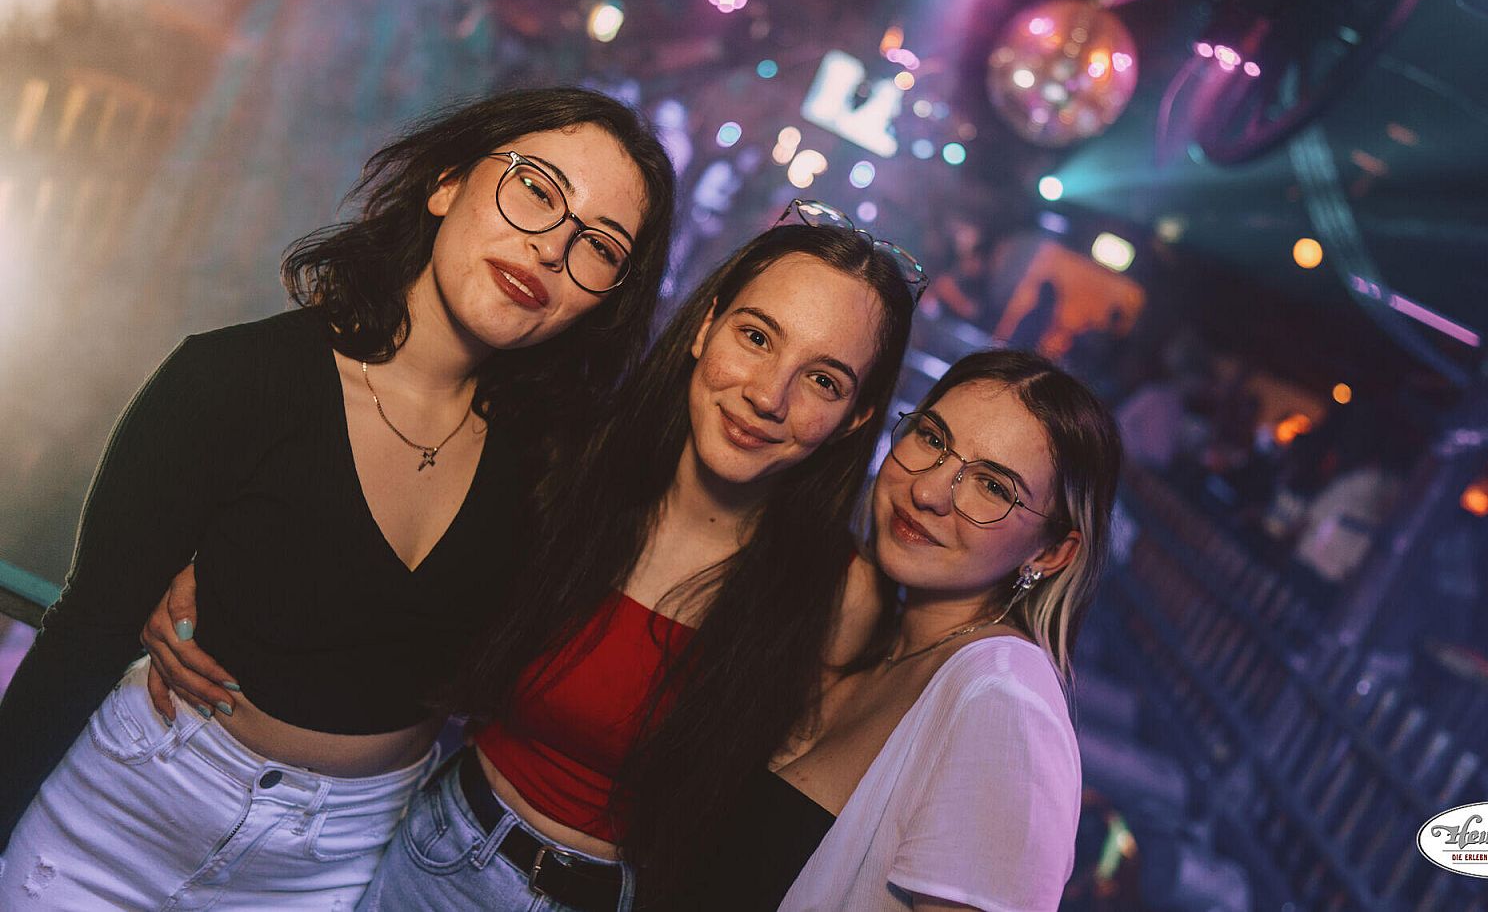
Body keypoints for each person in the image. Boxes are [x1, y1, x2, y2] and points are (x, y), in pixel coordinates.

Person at [0, 87, 677, 910]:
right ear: (447, 182)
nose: (550, 249)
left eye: (599, 245)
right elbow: (80, 639)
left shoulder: (554, 470)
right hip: (118, 821)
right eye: (537, 189)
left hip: (335, 865)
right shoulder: (236, 378)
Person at [352, 210, 921, 911]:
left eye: (824, 381)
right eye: (756, 337)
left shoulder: (841, 595)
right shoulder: (568, 463)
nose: (767, 396)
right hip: (432, 856)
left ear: (856, 418)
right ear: (706, 326)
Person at [713, 350, 1121, 912]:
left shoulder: (1006, 705)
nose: (928, 491)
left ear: (1051, 553)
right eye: (931, 438)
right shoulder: (877, 634)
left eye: (992, 487)